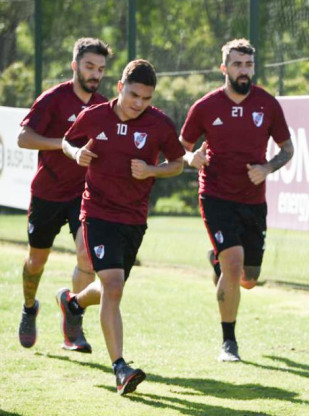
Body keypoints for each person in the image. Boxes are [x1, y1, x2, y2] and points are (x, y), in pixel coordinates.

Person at [59, 59, 185, 395]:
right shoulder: (96, 114)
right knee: (113, 285)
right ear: (119, 87)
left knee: (110, 286)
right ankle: (120, 368)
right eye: (133, 95)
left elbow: (177, 164)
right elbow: (67, 140)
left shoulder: (159, 124)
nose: (138, 103)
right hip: (98, 212)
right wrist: (76, 155)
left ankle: (72, 304)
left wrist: (151, 170)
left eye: (146, 98)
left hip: (134, 218)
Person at [180, 38, 294, 362]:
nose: (244, 71)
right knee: (232, 264)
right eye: (237, 65)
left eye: (248, 65)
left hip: (253, 200)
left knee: (248, 279)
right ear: (224, 69)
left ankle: (216, 260)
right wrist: (192, 159)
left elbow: (288, 149)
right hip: (215, 195)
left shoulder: (268, 104)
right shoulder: (205, 106)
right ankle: (228, 342)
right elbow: (181, 146)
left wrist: (267, 168)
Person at [16, 37, 112, 352]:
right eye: (89, 66)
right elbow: (23, 138)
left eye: (100, 68)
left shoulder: (103, 106)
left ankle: (73, 325)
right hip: (47, 193)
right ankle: (30, 307)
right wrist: (65, 145)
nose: (95, 74)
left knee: (86, 257)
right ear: (75, 66)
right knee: (35, 261)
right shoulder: (53, 99)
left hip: (85, 194)